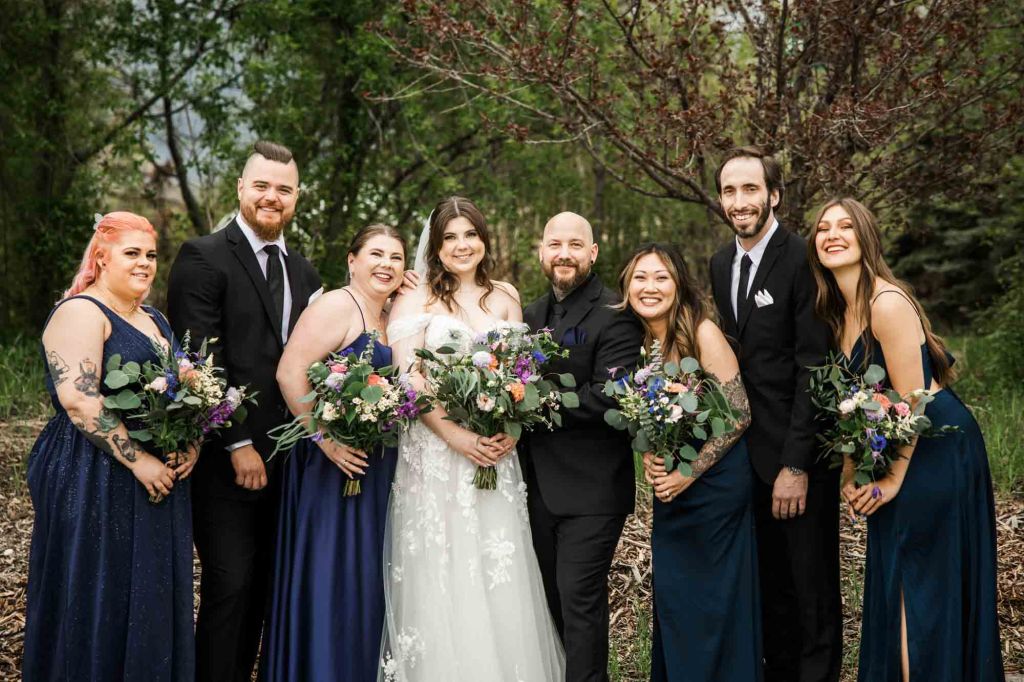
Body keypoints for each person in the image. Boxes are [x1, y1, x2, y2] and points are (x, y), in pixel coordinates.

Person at [809, 197, 1004, 681]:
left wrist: (890, 480)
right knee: (897, 576)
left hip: (935, 449)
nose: (832, 234)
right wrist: (853, 475)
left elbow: (912, 401)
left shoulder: (886, 302)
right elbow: (859, 408)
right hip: (894, 449)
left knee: (916, 584)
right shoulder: (840, 314)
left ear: (866, 237)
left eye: (845, 226)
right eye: (823, 228)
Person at [380, 196, 564, 681]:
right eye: (450, 237)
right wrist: (455, 436)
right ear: (436, 248)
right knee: (445, 571)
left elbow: (522, 376)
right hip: (436, 455)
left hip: (496, 455)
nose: (462, 246)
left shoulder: (504, 295)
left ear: (484, 239)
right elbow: (409, 383)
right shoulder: (414, 298)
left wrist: (508, 430)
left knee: (497, 563)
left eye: (470, 235)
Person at [167, 141, 322, 682]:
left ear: (296, 197)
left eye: (283, 189)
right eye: (261, 186)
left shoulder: (303, 272)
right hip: (226, 461)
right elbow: (198, 363)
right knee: (230, 586)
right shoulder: (203, 256)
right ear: (240, 188)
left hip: (292, 462)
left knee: (265, 587)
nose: (271, 197)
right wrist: (237, 444)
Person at [24, 212, 195, 681]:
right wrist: (140, 461)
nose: (145, 264)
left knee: (148, 592)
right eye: (132, 253)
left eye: (151, 255)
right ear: (101, 258)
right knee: (100, 587)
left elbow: (185, 389)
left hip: (158, 474)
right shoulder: (81, 312)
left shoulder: (154, 317)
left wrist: (189, 442)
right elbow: (78, 400)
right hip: (93, 470)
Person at [707, 146, 840, 681]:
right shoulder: (721, 264)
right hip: (745, 458)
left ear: (774, 195)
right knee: (772, 591)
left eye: (750, 189)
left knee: (811, 592)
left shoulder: (803, 258)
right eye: (729, 191)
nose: (739, 201)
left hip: (796, 457)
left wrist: (796, 465)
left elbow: (814, 366)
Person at [261, 224, 407, 681]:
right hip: (333, 467)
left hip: (376, 466)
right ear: (352, 259)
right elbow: (289, 373)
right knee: (334, 576)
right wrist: (327, 440)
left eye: (396, 258)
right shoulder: (337, 305)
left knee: (366, 580)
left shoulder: (390, 313)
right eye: (376, 254)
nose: (386, 264)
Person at [617, 243, 760, 681]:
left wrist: (687, 472)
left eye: (661, 277)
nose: (650, 286)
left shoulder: (702, 333)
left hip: (715, 490)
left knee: (714, 607)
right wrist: (650, 454)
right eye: (640, 277)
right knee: (678, 605)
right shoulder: (641, 344)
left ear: (678, 283)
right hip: (672, 494)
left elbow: (738, 412)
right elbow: (642, 415)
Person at [521, 211, 644, 682]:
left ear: (592, 253)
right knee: (547, 601)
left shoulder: (615, 313)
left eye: (575, 245)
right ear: (542, 251)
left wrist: (530, 402)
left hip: (592, 492)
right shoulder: (530, 314)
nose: (564, 254)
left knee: (579, 602)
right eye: (555, 244)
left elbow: (609, 397)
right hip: (535, 488)